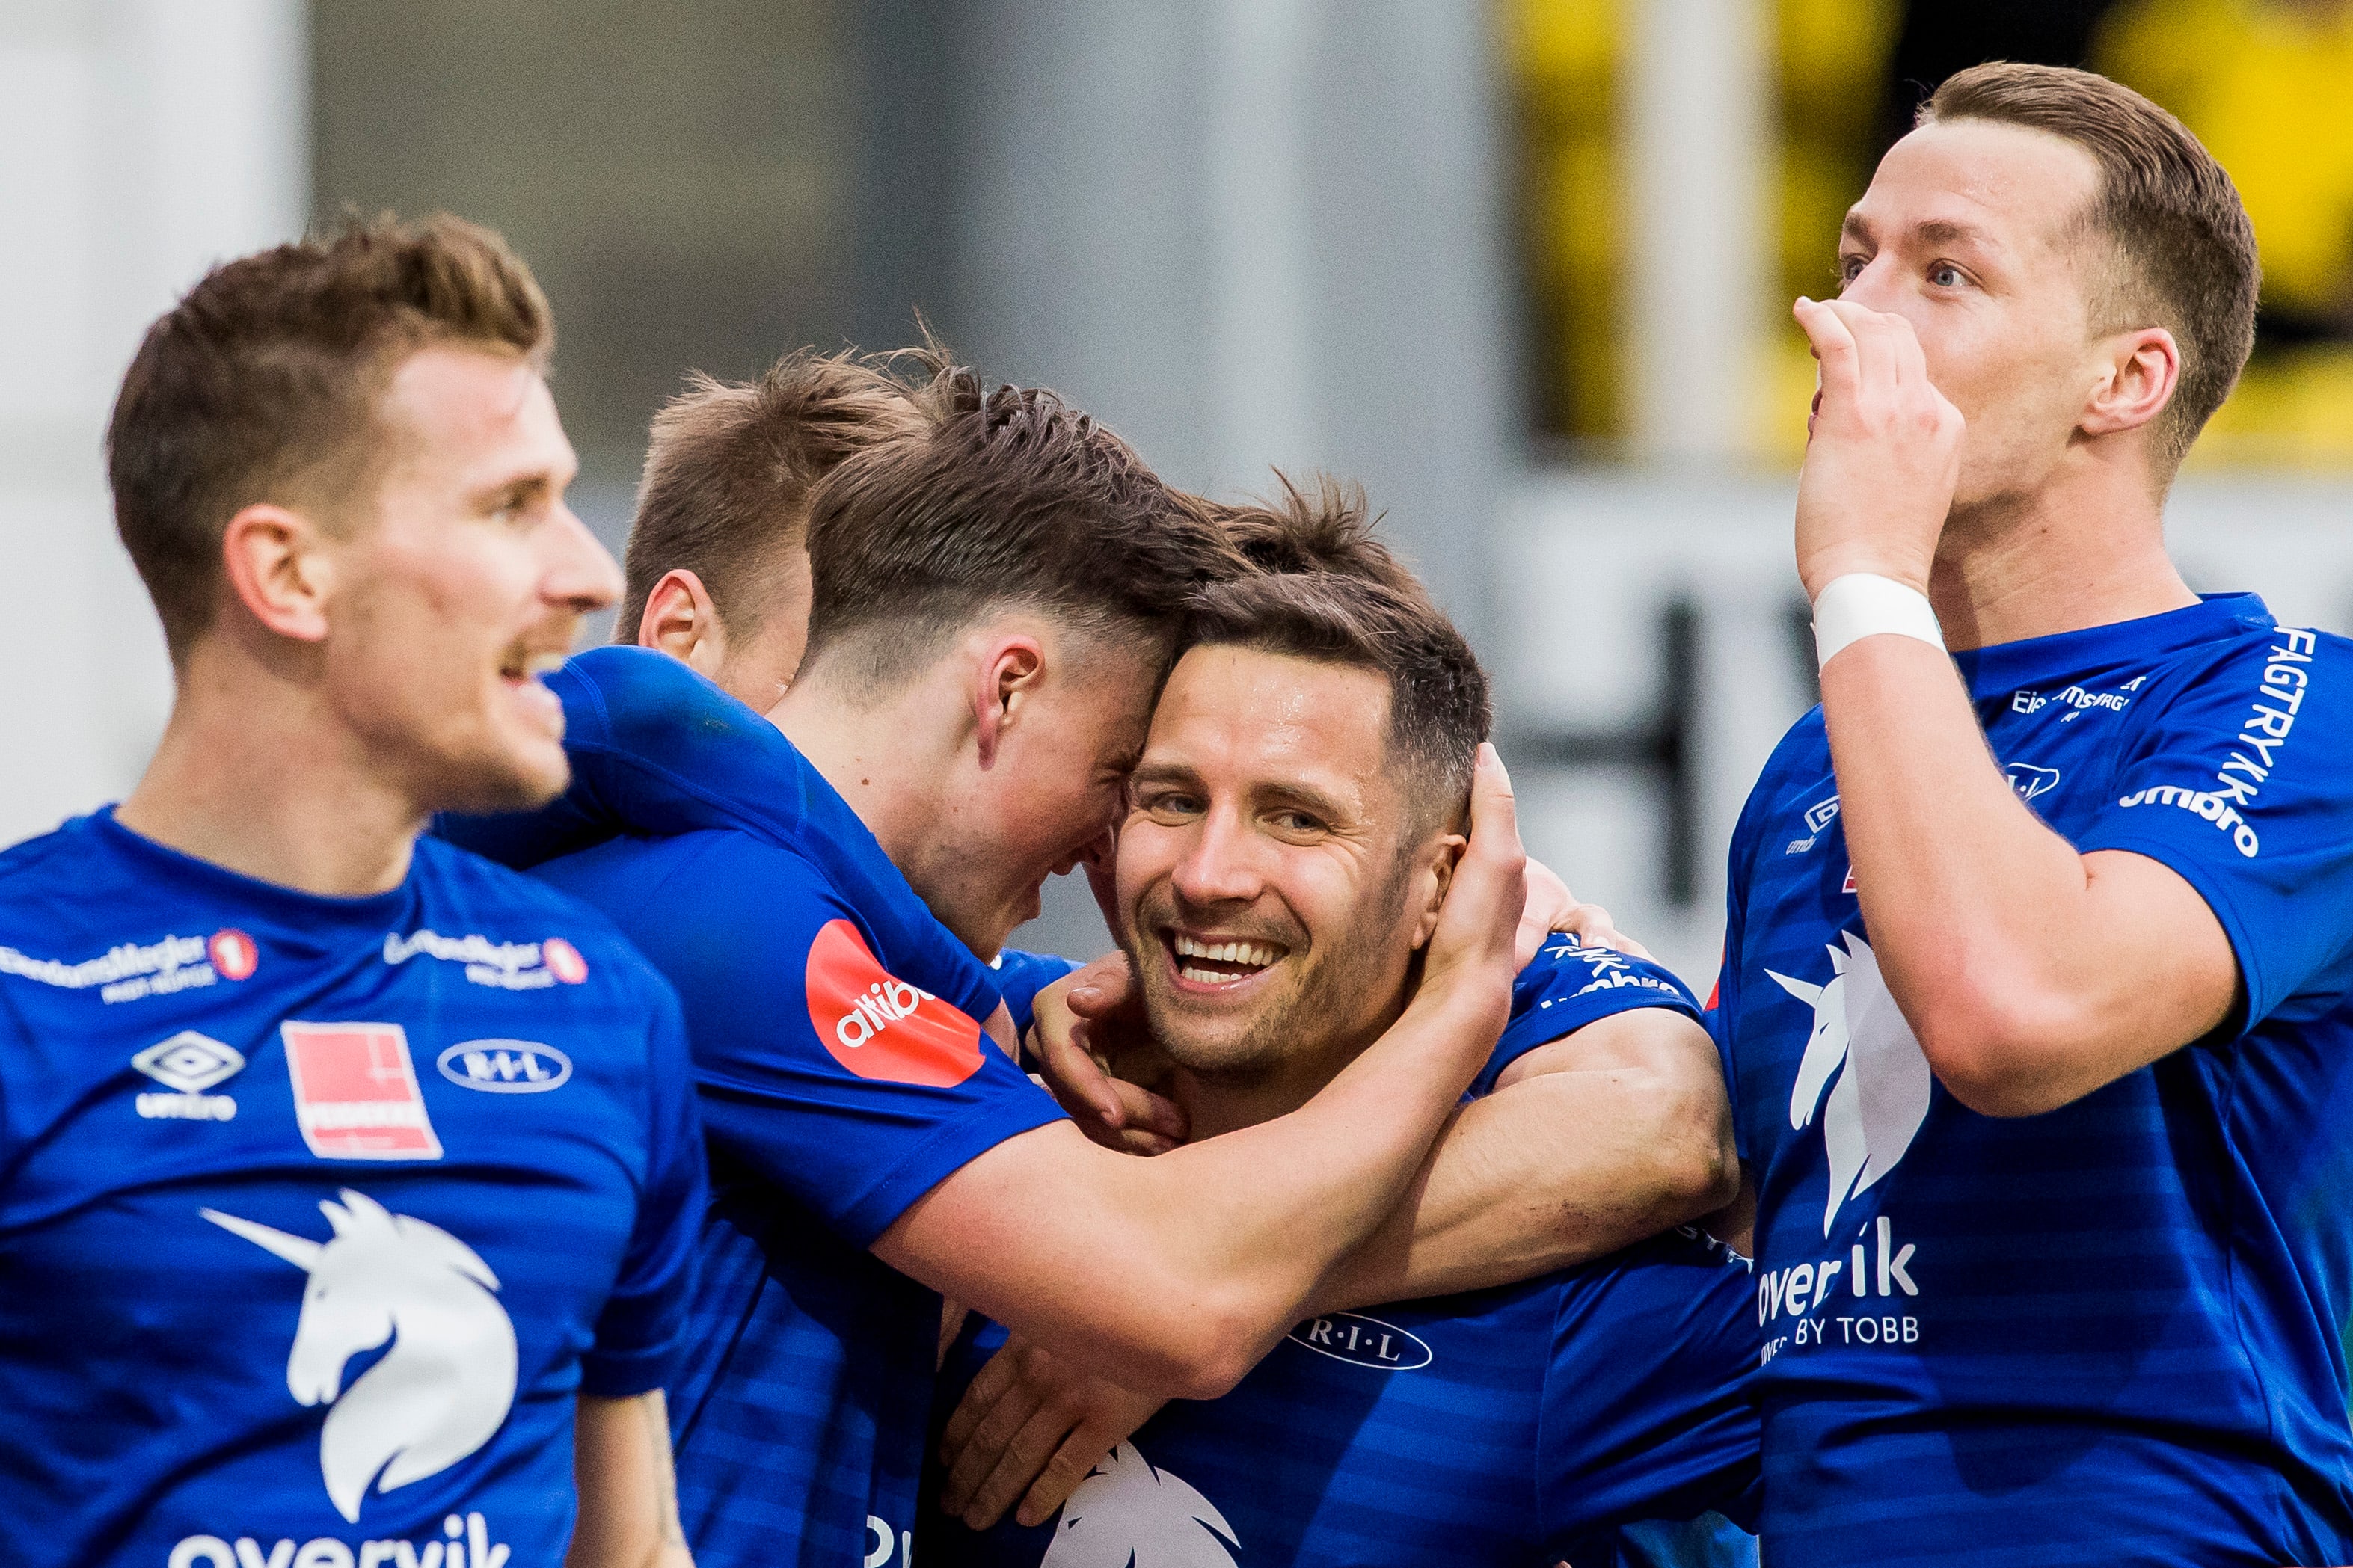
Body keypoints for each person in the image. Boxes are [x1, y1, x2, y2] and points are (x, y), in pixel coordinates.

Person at [445, 359, 1542, 1568]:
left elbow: (1656, 1124)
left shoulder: (857, 949)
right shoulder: (730, 925)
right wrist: (1458, 1000)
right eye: (1122, 773)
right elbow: (1180, 1303)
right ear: (1006, 690)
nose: (1104, 843)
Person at [1717, 62, 2353, 1564]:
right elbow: (1736, 1203)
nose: (1846, 318)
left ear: (2122, 381)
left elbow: (2014, 1011)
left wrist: (1865, 572)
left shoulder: (2296, 701)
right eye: (1852, 259)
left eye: (1943, 273)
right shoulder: (1812, 763)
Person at [0, 217, 704, 1568]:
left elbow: (631, 1546)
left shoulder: (603, 1005)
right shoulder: (22, 997)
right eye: (508, 507)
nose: (585, 573)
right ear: (288, 574)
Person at [924, 501, 1757, 1568]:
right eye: (1170, 798)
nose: (1208, 874)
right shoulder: (978, 1064)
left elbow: (1681, 1131)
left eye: (1298, 818)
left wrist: (1182, 1294)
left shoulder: (1579, 1308)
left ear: (1447, 887)